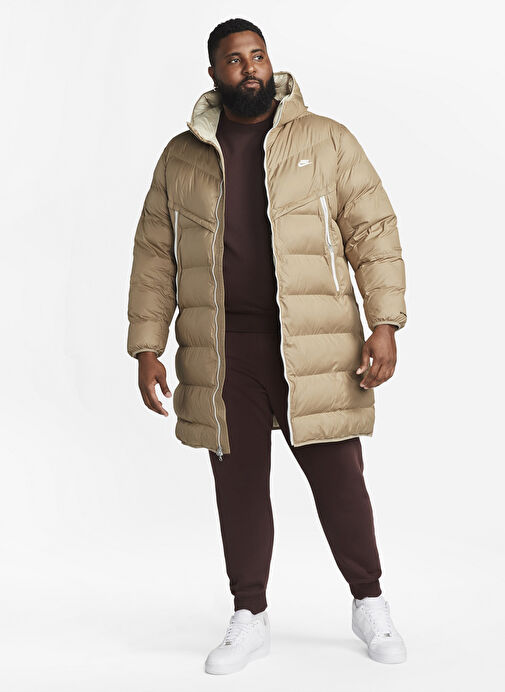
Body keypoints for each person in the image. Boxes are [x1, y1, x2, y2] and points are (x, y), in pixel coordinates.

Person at [126, 17, 408, 675]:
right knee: (239, 488)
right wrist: (146, 347)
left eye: (257, 55)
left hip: (316, 344)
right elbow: (154, 256)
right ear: (213, 73)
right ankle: (248, 614)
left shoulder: (325, 139)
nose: (249, 67)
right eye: (234, 59)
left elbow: (373, 230)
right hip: (225, 351)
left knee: (339, 480)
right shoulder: (181, 157)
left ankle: (368, 601)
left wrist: (384, 323)